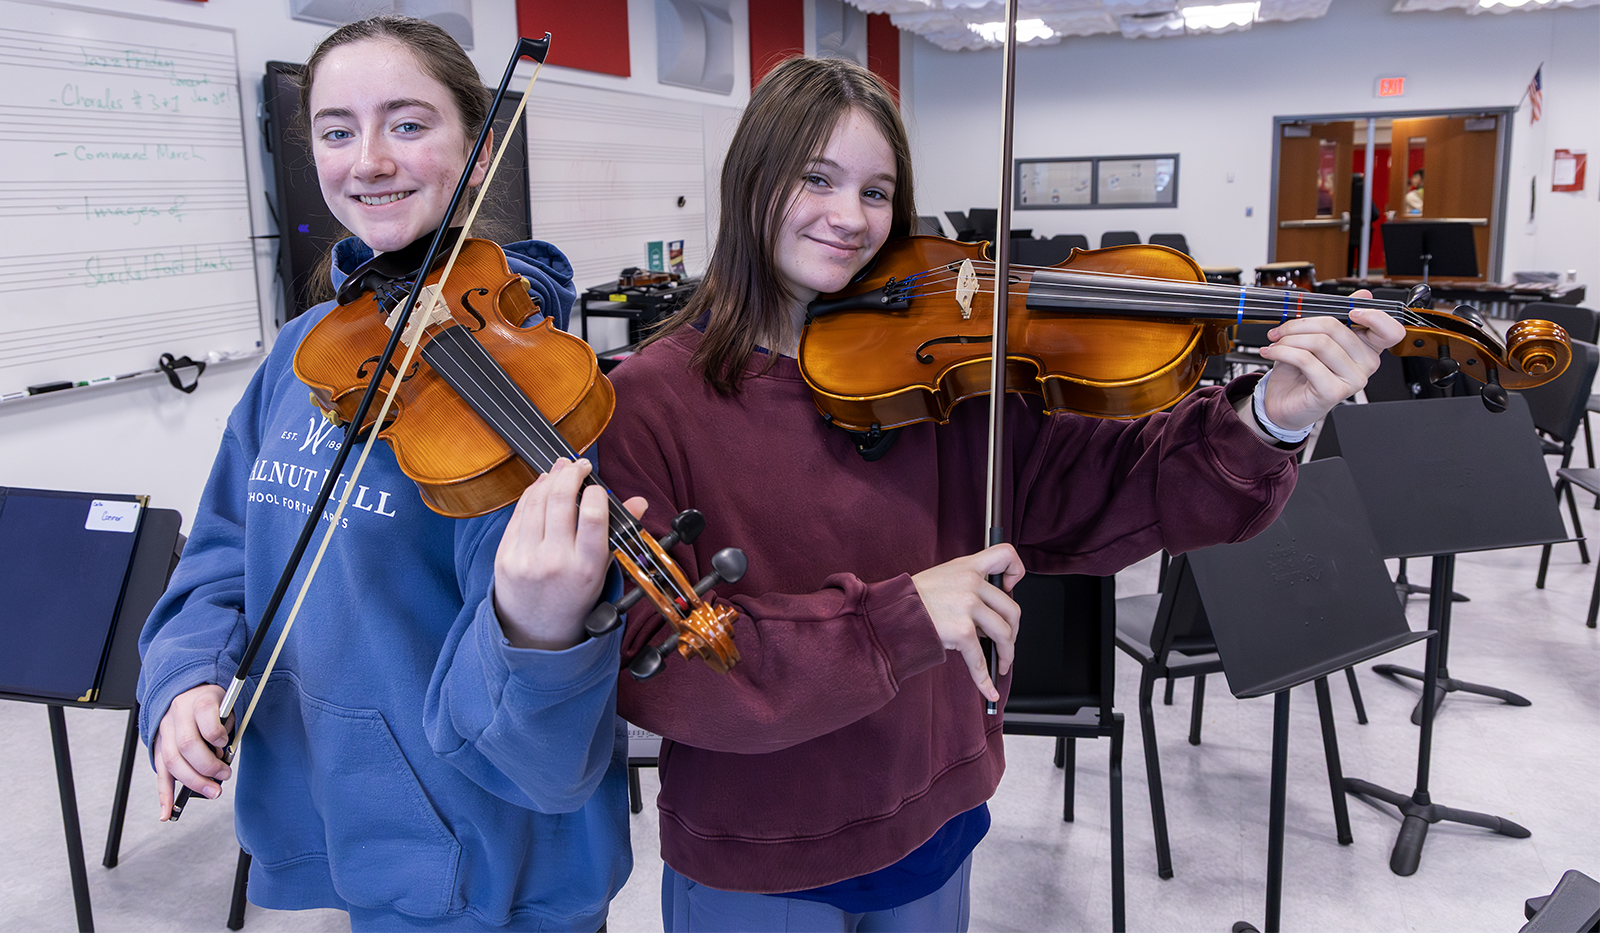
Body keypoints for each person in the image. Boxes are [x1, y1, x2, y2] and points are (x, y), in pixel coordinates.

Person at [598, 56, 1405, 933]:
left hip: (936, 808)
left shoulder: (948, 377)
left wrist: (1269, 419)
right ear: (750, 179)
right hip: (758, 851)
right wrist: (904, 615)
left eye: (877, 192)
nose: (848, 217)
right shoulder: (651, 400)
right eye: (816, 178)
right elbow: (664, 664)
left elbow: (1119, 489)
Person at [138, 17, 633, 931]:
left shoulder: (527, 387)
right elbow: (220, 554)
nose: (366, 160)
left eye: (407, 124)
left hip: (489, 861)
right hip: (343, 818)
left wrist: (542, 628)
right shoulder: (303, 355)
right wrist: (186, 676)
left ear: (479, 157)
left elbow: (543, 750)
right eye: (336, 130)